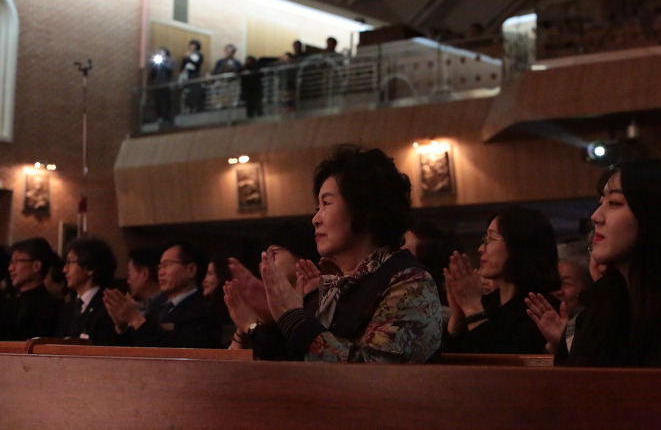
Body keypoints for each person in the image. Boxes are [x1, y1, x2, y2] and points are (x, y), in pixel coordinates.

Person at [224, 144, 442, 362]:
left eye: (326, 203)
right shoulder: (328, 288)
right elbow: (284, 366)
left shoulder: (409, 282)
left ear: (364, 208)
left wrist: (292, 317)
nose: (315, 219)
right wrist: (269, 323)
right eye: (317, 208)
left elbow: (373, 371)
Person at [548, 159, 661, 368]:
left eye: (614, 203)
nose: (596, 217)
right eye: (600, 203)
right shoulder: (596, 313)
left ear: (657, 216)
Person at [443, 206, 561, 354]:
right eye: (484, 239)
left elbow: (499, 363)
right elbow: (449, 362)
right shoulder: (488, 303)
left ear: (519, 245)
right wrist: (457, 317)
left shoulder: (542, 309)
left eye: (491, 239)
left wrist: (472, 308)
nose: (481, 248)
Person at [104, 241, 221, 348]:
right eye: (159, 267)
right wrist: (122, 326)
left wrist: (135, 318)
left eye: (167, 265)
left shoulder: (204, 310)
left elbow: (175, 349)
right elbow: (135, 347)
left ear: (190, 269)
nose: (161, 273)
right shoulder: (157, 308)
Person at [525, 239, 597, 353]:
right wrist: (554, 345)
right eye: (554, 282)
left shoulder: (595, 325)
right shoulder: (539, 325)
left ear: (588, 286)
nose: (557, 291)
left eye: (566, 283)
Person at [54, 237, 118, 345]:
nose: (64, 270)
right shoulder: (67, 309)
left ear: (90, 268)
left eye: (70, 262)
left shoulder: (107, 307)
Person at [0, 238, 62, 340]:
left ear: (36, 266)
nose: (10, 268)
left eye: (16, 262)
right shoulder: (8, 305)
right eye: (11, 262)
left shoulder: (53, 308)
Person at [149, 46, 173, 123]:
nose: (160, 53)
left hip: (165, 84)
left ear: (166, 53)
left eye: (162, 52)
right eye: (159, 52)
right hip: (157, 84)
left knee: (166, 101)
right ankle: (159, 116)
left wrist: (163, 62)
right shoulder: (156, 61)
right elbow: (152, 72)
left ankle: (166, 117)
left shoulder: (169, 60)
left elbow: (170, 69)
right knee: (157, 101)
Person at [180, 39, 205, 112]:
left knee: (194, 91)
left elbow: (197, 64)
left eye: (193, 46)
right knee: (187, 91)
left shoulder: (199, 54)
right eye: (191, 45)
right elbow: (183, 65)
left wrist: (189, 58)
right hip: (187, 74)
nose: (192, 47)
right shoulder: (187, 54)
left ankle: (195, 107)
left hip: (194, 74)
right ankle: (188, 107)